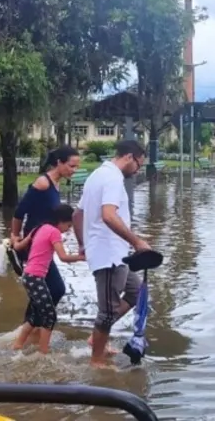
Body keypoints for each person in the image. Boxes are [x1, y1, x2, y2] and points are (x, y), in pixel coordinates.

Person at [73, 140, 151, 367]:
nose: (137, 170)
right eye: (138, 164)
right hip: (108, 255)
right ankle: (96, 361)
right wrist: (136, 241)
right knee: (107, 311)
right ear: (129, 157)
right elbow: (108, 215)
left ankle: (96, 338)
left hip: (117, 253)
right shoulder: (113, 178)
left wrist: (82, 244)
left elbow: (78, 214)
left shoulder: (97, 175)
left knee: (136, 293)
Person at [8, 147, 80, 344]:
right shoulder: (42, 183)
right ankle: (32, 327)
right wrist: (15, 237)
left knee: (45, 290)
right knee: (56, 289)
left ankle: (30, 328)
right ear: (59, 162)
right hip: (34, 244)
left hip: (45, 242)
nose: (74, 170)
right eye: (71, 166)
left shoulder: (56, 185)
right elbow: (19, 212)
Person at [12, 204, 86, 354]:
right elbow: (63, 257)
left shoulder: (38, 228)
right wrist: (83, 257)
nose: (69, 229)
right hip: (36, 278)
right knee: (50, 316)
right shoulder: (54, 232)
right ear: (61, 221)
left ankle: (17, 346)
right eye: (69, 225)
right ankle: (43, 352)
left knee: (35, 316)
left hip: (28, 276)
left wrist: (14, 239)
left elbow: (18, 247)